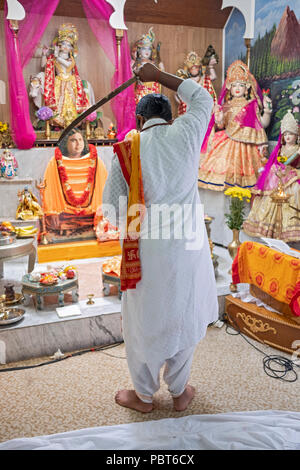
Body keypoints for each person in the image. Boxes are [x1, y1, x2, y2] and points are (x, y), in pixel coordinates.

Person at [103, 62, 218, 413]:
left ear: (138, 122)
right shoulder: (187, 132)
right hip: (189, 246)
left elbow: (111, 210)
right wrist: (159, 77)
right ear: (170, 116)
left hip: (147, 252)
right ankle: (180, 391)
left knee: (145, 321)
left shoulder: (128, 150)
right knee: (183, 311)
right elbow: (203, 100)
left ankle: (144, 395)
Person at [198, 60, 272, 191]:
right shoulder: (226, 106)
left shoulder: (252, 105)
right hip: (228, 141)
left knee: (247, 179)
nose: (237, 88)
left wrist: (267, 111)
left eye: (241, 85)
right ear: (229, 88)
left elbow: (261, 124)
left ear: (247, 87)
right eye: (234, 85)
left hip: (247, 146)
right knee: (223, 169)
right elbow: (222, 126)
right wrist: (219, 119)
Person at [243, 110, 300, 241]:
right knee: (270, 194)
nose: (288, 137)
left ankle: (286, 230)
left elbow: (289, 163)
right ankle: (269, 228)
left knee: (293, 193)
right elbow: (277, 161)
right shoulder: (281, 148)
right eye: (285, 134)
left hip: (291, 175)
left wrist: (296, 155)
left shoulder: (297, 149)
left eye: (291, 134)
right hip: (279, 174)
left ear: (296, 136)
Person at [41, 128, 108, 236]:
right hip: (65, 216)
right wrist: (52, 211)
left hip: (92, 215)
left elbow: (105, 187)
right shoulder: (55, 163)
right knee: (54, 224)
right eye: (73, 140)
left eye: (80, 139)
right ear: (65, 143)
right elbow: (49, 189)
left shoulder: (96, 162)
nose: (78, 144)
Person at [42, 23, 90, 128]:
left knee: (71, 100)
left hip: (71, 82)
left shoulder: (70, 59)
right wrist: (45, 54)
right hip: (59, 82)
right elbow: (45, 66)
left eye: (69, 45)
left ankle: (73, 122)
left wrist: (56, 57)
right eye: (63, 44)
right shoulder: (54, 58)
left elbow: (68, 65)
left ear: (72, 48)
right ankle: (59, 122)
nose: (65, 47)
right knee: (59, 101)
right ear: (59, 45)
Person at [131, 27, 165, 104]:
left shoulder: (153, 63)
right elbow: (131, 79)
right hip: (141, 92)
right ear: (139, 51)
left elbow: (162, 74)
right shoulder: (135, 64)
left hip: (153, 91)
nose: (147, 51)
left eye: (149, 49)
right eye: (144, 49)